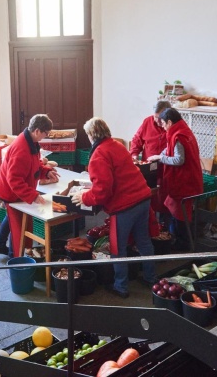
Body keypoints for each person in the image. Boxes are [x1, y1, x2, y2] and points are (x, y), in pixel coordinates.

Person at [70, 117, 156, 299]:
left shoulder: (98, 155)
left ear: (92, 135)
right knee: (143, 240)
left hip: (125, 206)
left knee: (118, 248)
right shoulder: (117, 145)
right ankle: (150, 278)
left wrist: (84, 196)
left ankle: (121, 287)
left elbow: (102, 191)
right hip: (143, 197)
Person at [0, 114, 60, 258]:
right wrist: (33, 195)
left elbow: (35, 165)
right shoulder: (21, 148)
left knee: (12, 216)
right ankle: (15, 256)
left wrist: (46, 172)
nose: (46, 136)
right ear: (37, 131)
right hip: (10, 191)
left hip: (15, 189)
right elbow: (14, 180)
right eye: (45, 133)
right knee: (18, 224)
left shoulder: (32, 142)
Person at [147, 108, 203, 251]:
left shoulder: (178, 136)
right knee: (176, 211)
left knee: (180, 215)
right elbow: (169, 148)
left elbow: (179, 159)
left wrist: (160, 158)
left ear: (170, 122)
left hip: (184, 183)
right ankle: (179, 242)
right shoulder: (184, 131)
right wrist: (158, 155)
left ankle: (182, 246)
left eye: (164, 124)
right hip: (188, 181)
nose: (163, 127)